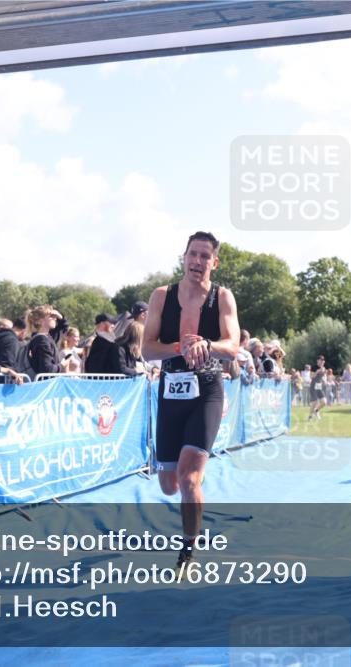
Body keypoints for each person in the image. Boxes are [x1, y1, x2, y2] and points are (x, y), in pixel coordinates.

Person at [142, 231, 240, 570]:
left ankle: (188, 551)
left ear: (215, 262)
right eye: (192, 255)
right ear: (184, 257)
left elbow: (233, 346)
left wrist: (207, 345)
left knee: (188, 479)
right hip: (171, 390)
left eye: (204, 256)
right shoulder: (161, 296)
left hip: (208, 390)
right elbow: (146, 348)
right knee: (169, 485)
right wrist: (180, 348)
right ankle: (190, 488)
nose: (197, 262)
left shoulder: (222, 297)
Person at [26, 306, 63, 376]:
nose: (55, 318)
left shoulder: (46, 337)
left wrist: (60, 316)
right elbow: (47, 370)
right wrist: (62, 366)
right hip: (46, 385)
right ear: (41, 321)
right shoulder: (42, 340)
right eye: (51, 316)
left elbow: (63, 327)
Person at [308, 355, 328, 421]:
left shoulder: (324, 368)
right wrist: (317, 371)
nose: (322, 361)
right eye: (320, 360)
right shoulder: (314, 367)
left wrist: (325, 380)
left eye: (323, 360)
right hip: (313, 386)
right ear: (317, 360)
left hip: (319, 387)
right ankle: (310, 416)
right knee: (314, 402)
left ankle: (316, 411)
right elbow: (311, 376)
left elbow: (323, 376)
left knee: (324, 402)